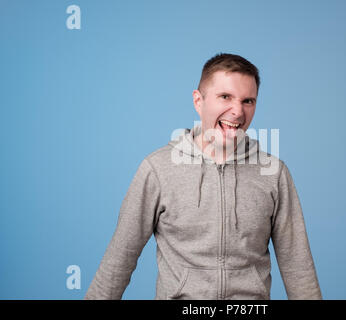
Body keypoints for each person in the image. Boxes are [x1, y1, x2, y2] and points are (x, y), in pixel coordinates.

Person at [84, 53, 322, 300]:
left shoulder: (274, 173)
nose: (238, 112)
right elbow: (119, 259)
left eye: (248, 101)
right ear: (199, 101)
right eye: (225, 97)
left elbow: (298, 266)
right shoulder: (158, 169)